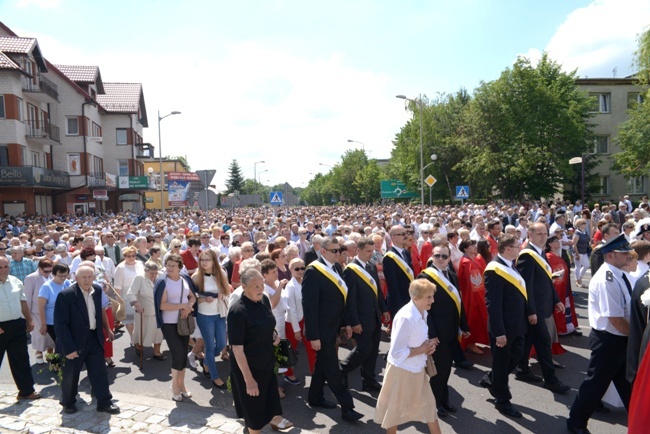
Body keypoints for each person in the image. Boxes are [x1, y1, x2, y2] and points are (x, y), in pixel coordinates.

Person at [567, 233, 634, 434]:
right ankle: (576, 422)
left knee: (628, 383)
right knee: (595, 384)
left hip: (619, 338)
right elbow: (615, 318)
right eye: (624, 254)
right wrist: (636, 337)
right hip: (610, 339)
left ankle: (641, 419)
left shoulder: (619, 274)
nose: (629, 257)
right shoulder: (608, 279)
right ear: (610, 255)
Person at [302, 236, 362, 422]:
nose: (338, 253)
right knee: (333, 369)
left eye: (339, 250)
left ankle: (315, 397)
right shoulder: (313, 271)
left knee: (322, 365)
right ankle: (347, 407)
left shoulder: (335, 267)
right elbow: (309, 307)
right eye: (334, 250)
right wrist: (313, 336)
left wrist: (345, 324)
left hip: (334, 327)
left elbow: (340, 300)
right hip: (321, 331)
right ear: (324, 251)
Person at [228, 268, 293, 433]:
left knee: (270, 398)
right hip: (249, 366)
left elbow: (266, 322)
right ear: (243, 287)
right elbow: (237, 349)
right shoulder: (237, 311)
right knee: (254, 408)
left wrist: (273, 335)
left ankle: (274, 420)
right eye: (255, 286)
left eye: (262, 284)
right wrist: (249, 380)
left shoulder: (264, 300)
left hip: (266, 361)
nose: (261, 289)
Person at [374, 279, 442, 434]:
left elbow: (415, 340)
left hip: (417, 369)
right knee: (395, 413)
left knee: (430, 409)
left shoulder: (422, 312)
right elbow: (396, 353)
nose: (433, 300)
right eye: (429, 297)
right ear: (416, 298)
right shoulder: (406, 317)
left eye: (432, 296)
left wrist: (428, 345)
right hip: (401, 371)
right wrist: (422, 349)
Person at [53, 265, 119, 414]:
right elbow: (60, 325)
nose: (87, 280)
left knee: (99, 372)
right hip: (74, 341)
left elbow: (100, 312)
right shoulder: (66, 295)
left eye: (90, 277)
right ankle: (68, 402)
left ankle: (104, 402)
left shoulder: (97, 290)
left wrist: (107, 329)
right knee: (71, 374)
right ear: (76, 278)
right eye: (83, 277)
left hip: (94, 338)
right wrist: (69, 348)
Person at [514, 223, 570, 394]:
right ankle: (551, 380)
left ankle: (522, 368)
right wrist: (530, 311)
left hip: (543, 305)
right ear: (529, 234)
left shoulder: (541, 253)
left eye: (545, 233)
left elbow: (547, 279)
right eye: (539, 233)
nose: (543, 237)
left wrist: (556, 299)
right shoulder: (527, 255)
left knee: (529, 340)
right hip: (534, 310)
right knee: (544, 343)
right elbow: (526, 287)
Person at [479, 233, 528, 418]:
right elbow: (493, 304)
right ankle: (503, 400)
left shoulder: (510, 266)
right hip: (503, 328)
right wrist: (499, 332)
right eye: (517, 246)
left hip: (518, 325)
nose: (520, 249)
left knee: (516, 356)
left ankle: (492, 380)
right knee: (501, 364)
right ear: (508, 249)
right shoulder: (494, 270)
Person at [418, 243, 470, 417]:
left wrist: (464, 326)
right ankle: (434, 402)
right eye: (437, 255)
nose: (440, 259)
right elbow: (424, 310)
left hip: (451, 331)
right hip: (436, 334)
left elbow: (458, 302)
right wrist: (431, 335)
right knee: (439, 370)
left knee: (446, 368)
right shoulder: (425, 276)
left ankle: (443, 399)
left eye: (444, 256)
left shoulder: (452, 275)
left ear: (449, 258)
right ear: (431, 257)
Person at [341, 237, 390, 392]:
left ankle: (368, 379)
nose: (371, 254)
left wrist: (384, 309)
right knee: (363, 349)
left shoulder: (370, 266)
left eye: (373, 251)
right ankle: (342, 369)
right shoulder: (351, 270)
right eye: (368, 251)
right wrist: (354, 322)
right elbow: (350, 300)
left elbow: (378, 292)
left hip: (374, 315)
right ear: (358, 250)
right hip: (361, 318)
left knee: (373, 350)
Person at [154, 254, 197, 401]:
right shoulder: (163, 281)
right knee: (178, 354)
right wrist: (182, 306)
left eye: (173, 265)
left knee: (183, 353)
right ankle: (175, 386)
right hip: (169, 323)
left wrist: (188, 308)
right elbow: (162, 305)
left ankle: (182, 385)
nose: (170, 268)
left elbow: (192, 296)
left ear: (180, 267)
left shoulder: (185, 279)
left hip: (183, 321)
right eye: (168, 265)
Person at [0, 256, 41, 400]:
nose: (3, 270)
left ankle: (26, 391)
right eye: (0, 267)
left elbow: (23, 302)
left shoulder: (15, 281)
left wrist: (29, 320)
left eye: (6, 267)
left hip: (17, 324)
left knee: (21, 359)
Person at [193, 249, 230, 389]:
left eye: (207, 259)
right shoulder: (196, 276)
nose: (204, 262)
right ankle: (215, 377)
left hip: (219, 313)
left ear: (214, 260)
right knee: (210, 345)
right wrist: (203, 299)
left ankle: (207, 361)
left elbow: (227, 291)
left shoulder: (221, 273)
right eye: (202, 259)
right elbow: (192, 297)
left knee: (221, 344)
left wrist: (222, 295)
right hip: (204, 315)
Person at [284, 258, 316, 381]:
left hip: (307, 320)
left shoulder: (307, 281)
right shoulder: (290, 286)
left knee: (312, 348)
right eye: (297, 268)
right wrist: (296, 329)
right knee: (291, 349)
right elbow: (291, 309)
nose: (300, 271)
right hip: (293, 322)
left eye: (303, 268)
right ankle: (288, 373)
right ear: (291, 269)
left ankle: (316, 373)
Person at [127, 261, 165, 361]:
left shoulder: (161, 276)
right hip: (143, 311)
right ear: (145, 271)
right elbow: (131, 293)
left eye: (155, 273)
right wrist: (136, 304)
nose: (154, 275)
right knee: (142, 332)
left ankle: (157, 352)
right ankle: (138, 346)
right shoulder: (139, 278)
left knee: (158, 332)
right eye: (151, 273)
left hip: (159, 311)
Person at [457, 239, 489, 354]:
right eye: (471, 245)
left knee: (478, 319)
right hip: (473, 297)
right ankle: (470, 343)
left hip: (478, 294)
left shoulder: (472, 259)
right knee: (473, 319)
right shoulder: (467, 262)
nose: (474, 247)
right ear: (465, 249)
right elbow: (473, 284)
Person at [545, 236, 579, 337]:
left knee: (567, 306)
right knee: (560, 307)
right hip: (557, 286)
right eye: (555, 241)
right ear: (550, 244)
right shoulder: (549, 256)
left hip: (564, 284)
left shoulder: (557, 254)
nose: (558, 242)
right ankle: (560, 329)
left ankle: (569, 327)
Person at [23, 258, 55, 364]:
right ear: (39, 269)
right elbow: (27, 297)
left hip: (50, 311)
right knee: (41, 334)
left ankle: (50, 352)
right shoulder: (30, 278)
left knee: (51, 335)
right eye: (46, 271)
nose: (48, 273)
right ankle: (39, 351)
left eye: (50, 270)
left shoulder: (53, 276)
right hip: (36, 312)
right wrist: (28, 317)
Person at [113, 246, 145, 340]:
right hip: (126, 297)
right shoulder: (120, 267)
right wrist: (119, 301)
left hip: (141, 295)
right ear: (125, 256)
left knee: (140, 318)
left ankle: (139, 337)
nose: (131, 258)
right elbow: (117, 286)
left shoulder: (140, 263)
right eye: (128, 256)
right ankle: (133, 338)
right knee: (129, 320)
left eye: (133, 255)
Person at [383, 226, 414, 320]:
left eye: (406, 233)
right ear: (394, 237)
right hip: (399, 301)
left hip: (410, 298)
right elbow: (392, 285)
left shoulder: (406, 252)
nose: (405, 236)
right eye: (402, 234)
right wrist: (400, 305)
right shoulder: (389, 257)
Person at [38, 264, 71, 343]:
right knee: (61, 345)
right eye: (60, 276)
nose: (63, 278)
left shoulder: (67, 283)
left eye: (65, 275)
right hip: (53, 322)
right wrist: (43, 324)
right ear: (53, 274)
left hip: (67, 321)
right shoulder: (46, 287)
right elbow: (41, 307)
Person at [573, 219, 591, 288]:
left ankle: (579, 278)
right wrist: (577, 254)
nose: (584, 224)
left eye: (584, 223)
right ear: (579, 225)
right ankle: (578, 281)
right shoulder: (577, 233)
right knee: (578, 266)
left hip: (584, 251)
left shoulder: (585, 231)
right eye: (583, 223)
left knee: (586, 265)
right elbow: (574, 245)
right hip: (578, 252)